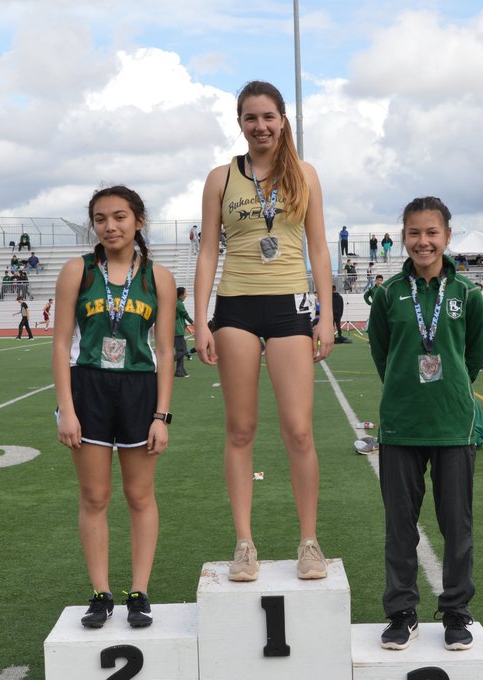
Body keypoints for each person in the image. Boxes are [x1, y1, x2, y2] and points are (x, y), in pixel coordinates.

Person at [192, 80, 332, 582]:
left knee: (298, 429)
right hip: (235, 307)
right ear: (240, 123)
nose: (261, 126)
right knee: (241, 428)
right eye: (251, 118)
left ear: (283, 120)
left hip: (291, 307)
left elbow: (318, 249)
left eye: (269, 117)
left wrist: (327, 315)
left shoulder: (305, 175)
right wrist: (200, 317)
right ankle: (245, 543)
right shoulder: (220, 178)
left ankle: (309, 541)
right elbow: (209, 249)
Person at [367, 196, 483, 651]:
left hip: (454, 425)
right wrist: (405, 390)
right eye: (414, 233)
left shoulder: (467, 295)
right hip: (401, 425)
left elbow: (474, 354)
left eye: (431, 232)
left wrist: (450, 389)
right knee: (400, 525)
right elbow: (382, 353)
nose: (423, 241)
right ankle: (401, 611)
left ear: (447, 237)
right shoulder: (387, 294)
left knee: (456, 525)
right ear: (404, 237)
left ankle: (456, 611)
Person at [52, 185, 176, 628]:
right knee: (94, 496)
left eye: (120, 217)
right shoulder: (78, 272)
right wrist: (66, 407)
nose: (111, 226)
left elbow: (164, 349)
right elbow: (62, 342)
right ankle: (101, 593)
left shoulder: (157, 277)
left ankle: (139, 592)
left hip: (139, 391)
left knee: (139, 496)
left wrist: (161, 416)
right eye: (101, 218)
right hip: (90, 389)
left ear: (138, 221)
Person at [174, 286, 193, 377]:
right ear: (181, 295)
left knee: (181, 351)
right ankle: (164, 363)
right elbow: (185, 315)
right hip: (177, 331)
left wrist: (189, 328)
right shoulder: (179, 304)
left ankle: (180, 371)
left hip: (179, 330)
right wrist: (193, 323)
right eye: (185, 293)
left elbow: (181, 319)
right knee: (182, 351)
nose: (186, 295)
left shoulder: (178, 303)